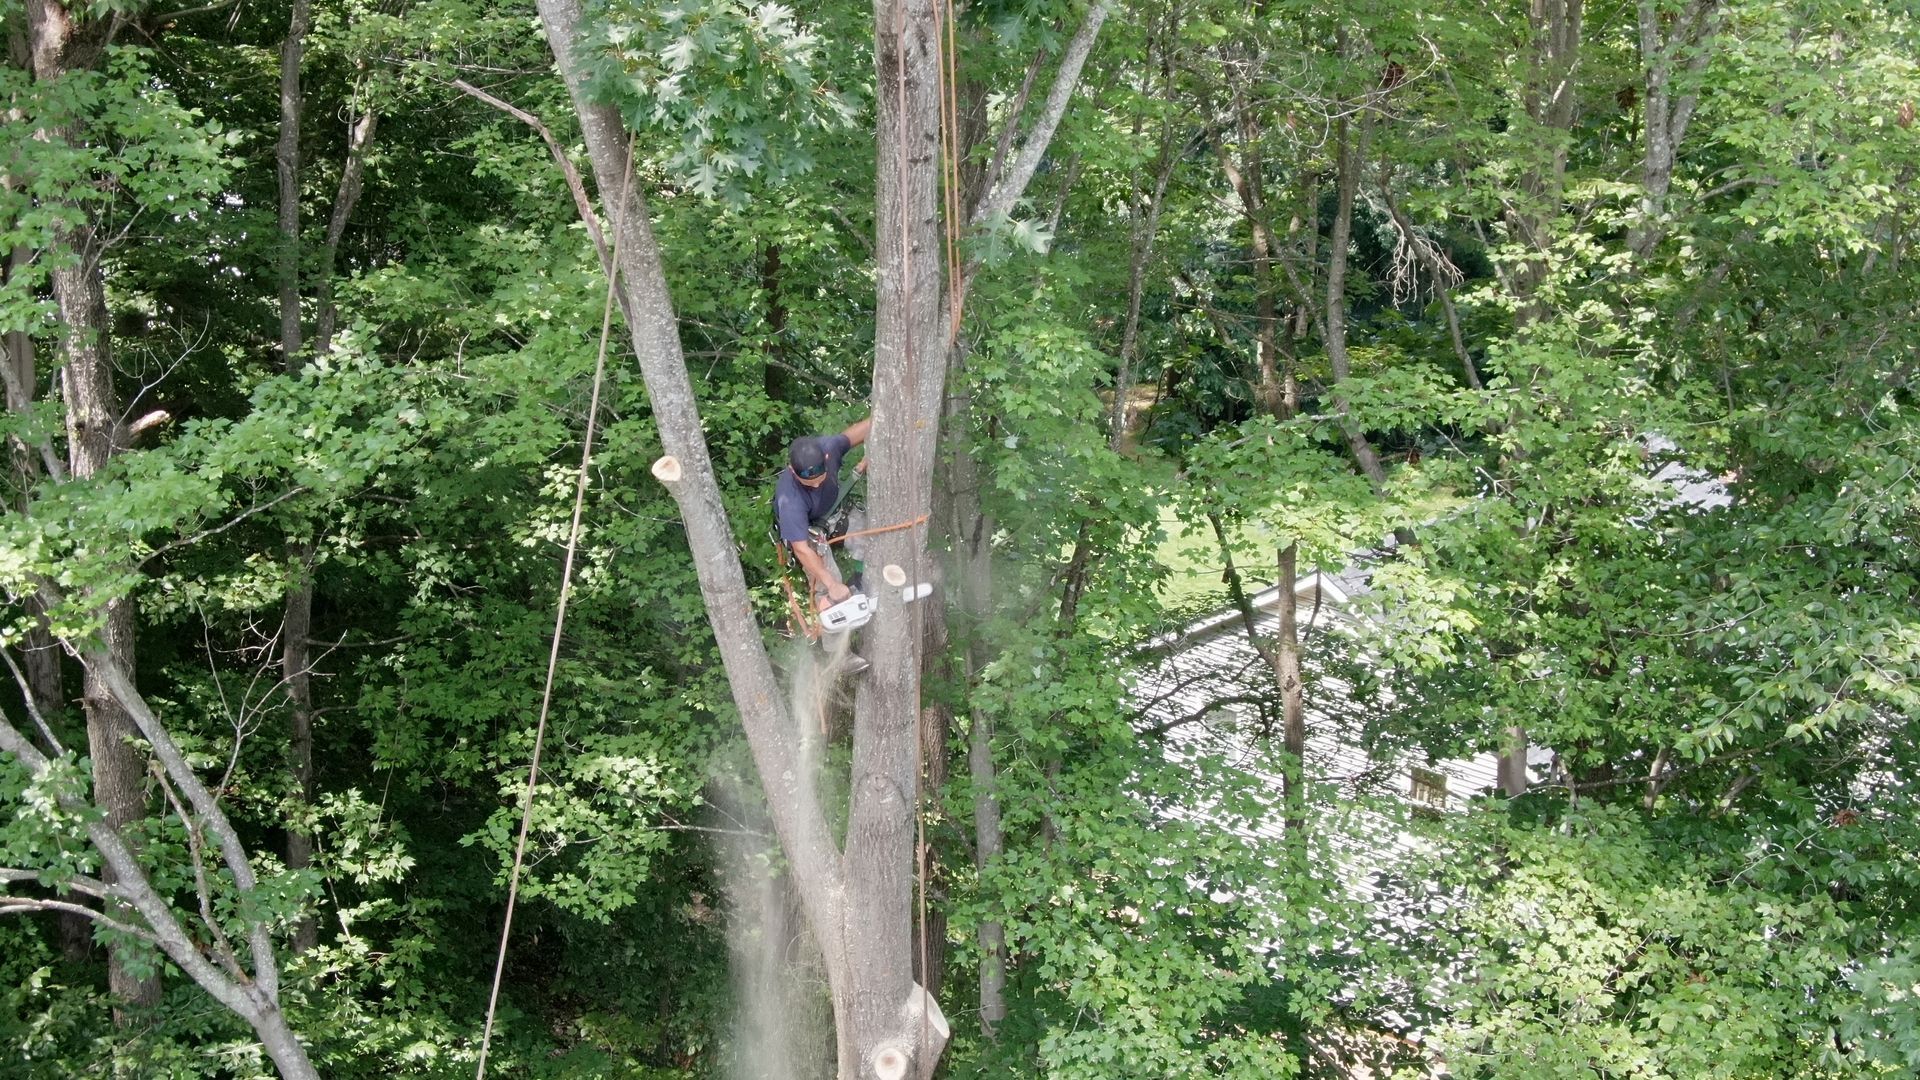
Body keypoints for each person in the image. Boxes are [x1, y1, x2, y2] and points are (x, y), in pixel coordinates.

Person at [772, 415, 871, 614]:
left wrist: (886, 419)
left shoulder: (829, 448)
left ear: (826, 459)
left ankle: (862, 582)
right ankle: (835, 641)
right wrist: (832, 584)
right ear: (792, 471)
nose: (816, 485)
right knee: (827, 585)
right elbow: (801, 549)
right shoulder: (790, 499)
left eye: (820, 479)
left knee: (866, 533)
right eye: (809, 484)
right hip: (805, 530)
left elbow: (857, 432)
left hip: (832, 511)